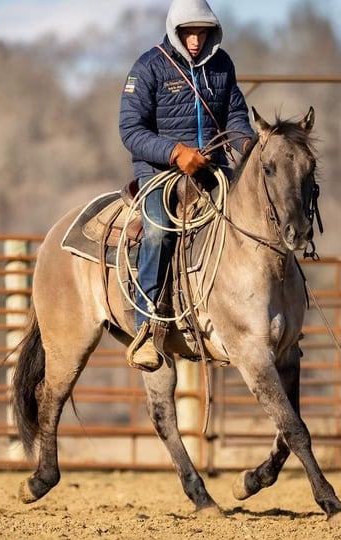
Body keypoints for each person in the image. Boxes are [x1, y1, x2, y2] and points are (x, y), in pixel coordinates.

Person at [119, 0, 254, 371]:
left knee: (253, 219)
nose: (196, 40)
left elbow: (235, 115)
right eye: (189, 32)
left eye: (202, 32)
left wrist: (248, 145)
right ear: (176, 30)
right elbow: (130, 130)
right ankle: (145, 327)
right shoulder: (149, 66)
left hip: (212, 168)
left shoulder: (222, 65)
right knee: (159, 232)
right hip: (160, 172)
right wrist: (175, 152)